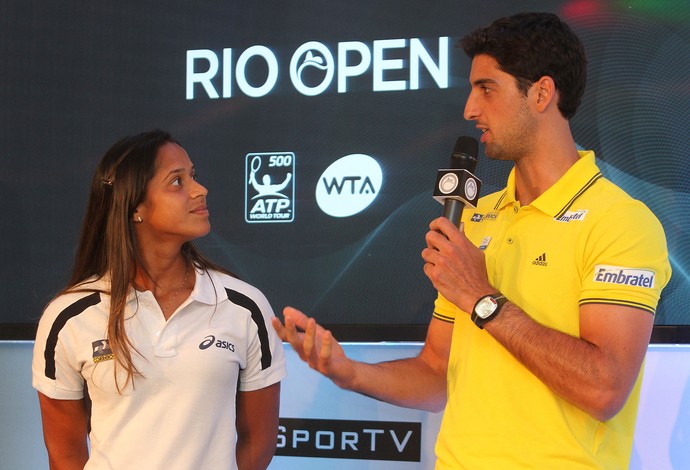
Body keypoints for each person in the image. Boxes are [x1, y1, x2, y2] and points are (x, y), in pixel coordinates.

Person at [272, 12, 671, 469]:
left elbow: (604, 387)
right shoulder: (476, 219)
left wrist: (482, 299)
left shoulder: (620, 221)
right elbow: (436, 371)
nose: (469, 109)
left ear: (540, 93)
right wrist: (348, 372)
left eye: (487, 88)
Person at [32, 129, 286, 469]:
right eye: (177, 182)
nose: (200, 190)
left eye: (193, 176)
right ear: (135, 206)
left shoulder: (244, 307)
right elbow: (65, 454)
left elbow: (259, 441)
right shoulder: (69, 317)